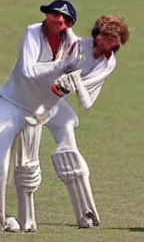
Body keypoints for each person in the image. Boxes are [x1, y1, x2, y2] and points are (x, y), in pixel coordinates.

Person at [0, 0, 80, 232]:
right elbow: (28, 71)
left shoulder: (73, 43)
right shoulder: (33, 32)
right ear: (47, 15)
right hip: (14, 101)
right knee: (2, 158)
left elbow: (77, 77)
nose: (58, 20)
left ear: (69, 23)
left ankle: (86, 211)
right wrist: (62, 66)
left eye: (64, 18)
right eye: (54, 15)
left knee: (68, 130)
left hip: (46, 105)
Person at [45, 14, 130, 228]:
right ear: (97, 35)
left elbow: (86, 99)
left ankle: (86, 213)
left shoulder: (108, 62)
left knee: (69, 148)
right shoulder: (76, 45)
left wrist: (72, 82)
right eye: (108, 38)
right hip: (33, 93)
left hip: (55, 103)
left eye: (115, 41)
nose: (111, 45)